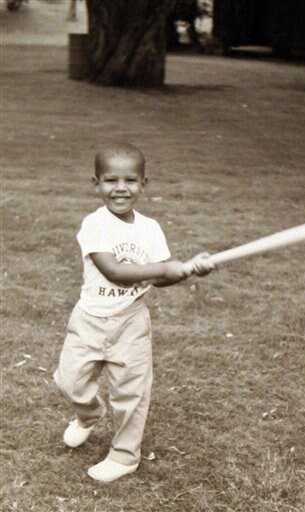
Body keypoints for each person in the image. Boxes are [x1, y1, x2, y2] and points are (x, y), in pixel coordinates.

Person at [54, 145, 214, 482]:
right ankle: (88, 414)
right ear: (96, 183)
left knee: (132, 391)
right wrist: (167, 268)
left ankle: (125, 456)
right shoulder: (95, 225)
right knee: (70, 382)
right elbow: (113, 270)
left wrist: (185, 272)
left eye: (130, 180)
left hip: (131, 320)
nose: (121, 187)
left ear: (144, 183)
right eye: (111, 180)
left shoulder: (150, 229)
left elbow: (158, 278)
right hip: (90, 320)